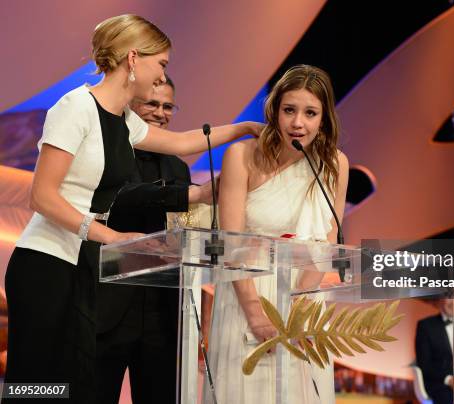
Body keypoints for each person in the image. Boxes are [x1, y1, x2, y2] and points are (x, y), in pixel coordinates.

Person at [4, 14, 260, 403]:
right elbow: (42, 197)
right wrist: (112, 236)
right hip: (47, 263)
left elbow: (183, 142)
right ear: (134, 59)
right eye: (162, 64)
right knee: (37, 385)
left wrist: (246, 129)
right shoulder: (75, 108)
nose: (162, 75)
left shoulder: (122, 121)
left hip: (83, 263)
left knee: (73, 387)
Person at [205, 65, 349, 403]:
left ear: (323, 118)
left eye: (310, 113)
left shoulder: (334, 163)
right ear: (275, 110)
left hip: (305, 296)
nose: (298, 122)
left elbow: (327, 240)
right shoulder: (241, 155)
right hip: (248, 293)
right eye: (289, 110)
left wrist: (299, 311)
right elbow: (231, 243)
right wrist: (256, 313)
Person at [96, 76, 212, 404]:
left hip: (163, 312)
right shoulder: (108, 150)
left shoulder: (178, 165)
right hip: (110, 303)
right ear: (130, 102)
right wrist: (187, 195)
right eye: (151, 103)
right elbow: (118, 198)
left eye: (167, 106)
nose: (160, 113)